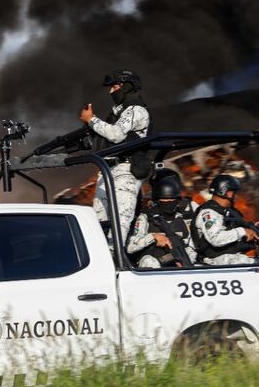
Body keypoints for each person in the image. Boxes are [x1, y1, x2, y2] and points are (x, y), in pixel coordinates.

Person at [79, 69, 152, 245]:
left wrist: (91, 120)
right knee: (97, 226)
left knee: (118, 231)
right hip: (108, 172)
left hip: (125, 173)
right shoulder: (117, 114)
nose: (111, 91)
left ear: (127, 87)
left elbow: (116, 135)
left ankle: (116, 265)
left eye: (115, 86)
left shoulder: (136, 110)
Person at [126, 170, 197, 268]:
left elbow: (193, 244)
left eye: (172, 200)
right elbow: (130, 247)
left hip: (178, 263)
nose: (168, 203)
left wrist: (186, 258)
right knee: (149, 262)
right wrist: (153, 237)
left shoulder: (185, 216)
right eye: (164, 200)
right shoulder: (146, 217)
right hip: (153, 265)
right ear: (157, 200)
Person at [193, 174, 259, 266]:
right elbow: (216, 239)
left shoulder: (225, 211)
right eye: (234, 193)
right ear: (228, 193)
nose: (236, 197)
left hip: (230, 259)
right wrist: (242, 231)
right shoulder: (209, 213)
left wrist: (251, 231)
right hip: (218, 262)